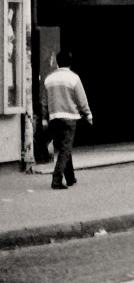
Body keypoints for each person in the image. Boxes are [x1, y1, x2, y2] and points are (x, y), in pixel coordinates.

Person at [40, 51, 93, 189]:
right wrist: (88, 114)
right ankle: (56, 180)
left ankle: (71, 178)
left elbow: (44, 102)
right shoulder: (74, 78)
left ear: (57, 62)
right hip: (70, 118)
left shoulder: (49, 79)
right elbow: (82, 100)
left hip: (54, 118)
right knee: (65, 148)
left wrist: (45, 118)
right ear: (70, 63)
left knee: (63, 147)